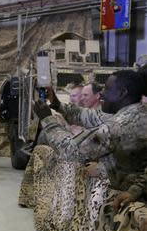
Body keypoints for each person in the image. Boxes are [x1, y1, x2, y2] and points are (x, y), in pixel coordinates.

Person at [35, 70, 147, 209]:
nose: (102, 93)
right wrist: (57, 104)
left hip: (121, 191)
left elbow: (70, 150)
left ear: (122, 93)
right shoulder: (136, 112)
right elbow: (90, 117)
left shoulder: (120, 125)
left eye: (107, 88)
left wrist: (47, 120)